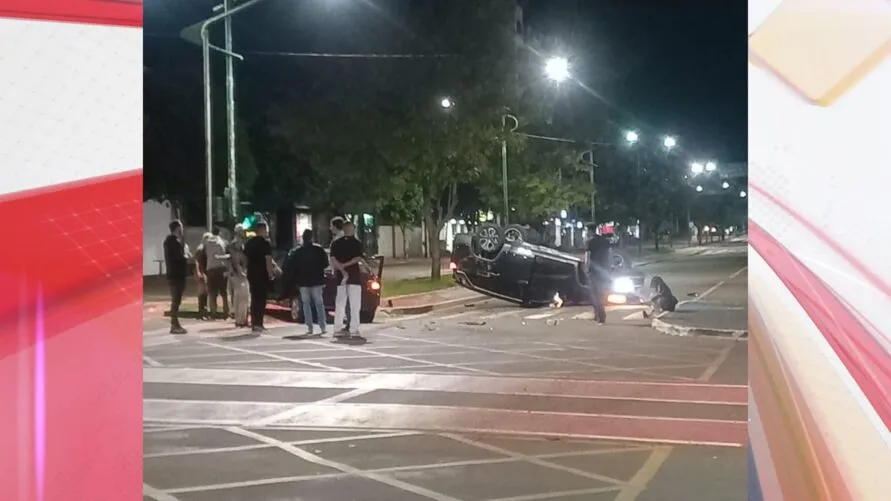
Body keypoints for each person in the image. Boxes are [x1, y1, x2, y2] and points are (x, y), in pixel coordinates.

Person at [330, 221, 364, 338]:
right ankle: (354, 329)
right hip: (354, 276)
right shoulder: (356, 243)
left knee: (340, 304)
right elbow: (358, 258)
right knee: (354, 305)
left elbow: (333, 259)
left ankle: (337, 328)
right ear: (351, 229)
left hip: (341, 277)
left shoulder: (336, 243)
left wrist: (342, 269)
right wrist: (346, 266)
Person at [292, 228, 329, 336]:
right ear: (312, 237)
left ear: (302, 238)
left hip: (303, 282)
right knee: (319, 303)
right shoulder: (318, 250)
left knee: (306, 304)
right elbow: (325, 264)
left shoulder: (298, 252)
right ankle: (322, 326)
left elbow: (294, 267)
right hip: (317, 280)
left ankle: (309, 327)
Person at [244, 220, 275, 333]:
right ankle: (259, 323)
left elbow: (244, 258)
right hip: (262, 274)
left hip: (251, 274)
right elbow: (268, 260)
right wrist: (270, 274)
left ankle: (254, 323)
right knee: (261, 299)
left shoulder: (249, 243)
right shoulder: (265, 244)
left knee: (254, 298)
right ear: (262, 230)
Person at [163, 220, 188, 334]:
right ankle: (174, 324)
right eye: (181, 227)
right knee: (176, 300)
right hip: (176, 275)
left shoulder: (172, 242)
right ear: (177, 228)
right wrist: (185, 256)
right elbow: (178, 258)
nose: (182, 230)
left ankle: (175, 323)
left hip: (175, 274)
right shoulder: (172, 243)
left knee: (176, 300)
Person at [584, 223, 611, 325]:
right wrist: (609, 267)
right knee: (600, 292)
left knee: (594, 293)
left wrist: (586, 268)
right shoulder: (604, 241)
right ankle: (597, 315)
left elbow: (587, 256)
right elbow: (609, 255)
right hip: (603, 270)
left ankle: (600, 315)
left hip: (593, 271)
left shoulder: (589, 242)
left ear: (590, 231)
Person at [227, 224, 250, 327]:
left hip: (237, 272)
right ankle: (241, 319)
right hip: (239, 273)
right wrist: (241, 271)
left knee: (239, 297)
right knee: (242, 297)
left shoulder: (235, 243)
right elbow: (236, 259)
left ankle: (240, 319)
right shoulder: (237, 243)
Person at [204, 228, 229, 320]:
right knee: (223, 292)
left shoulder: (207, 243)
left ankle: (213, 312)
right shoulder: (223, 242)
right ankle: (226, 312)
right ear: (220, 233)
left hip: (210, 268)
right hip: (221, 268)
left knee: (212, 292)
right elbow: (227, 253)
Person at [194, 234, 210, 321]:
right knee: (202, 293)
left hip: (204, 272)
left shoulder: (205, 248)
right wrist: (199, 272)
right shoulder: (201, 249)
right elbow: (197, 261)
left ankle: (204, 311)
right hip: (202, 272)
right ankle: (201, 312)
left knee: (205, 293)